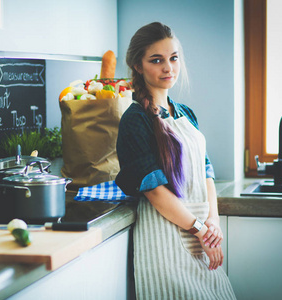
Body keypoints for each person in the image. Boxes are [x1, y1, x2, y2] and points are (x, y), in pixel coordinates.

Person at [116, 22, 236, 299]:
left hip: (201, 237)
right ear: (138, 65)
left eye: (173, 58)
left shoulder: (185, 113)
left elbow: (206, 171)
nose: (168, 68)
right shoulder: (135, 120)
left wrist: (213, 223)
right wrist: (200, 229)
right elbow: (156, 192)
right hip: (165, 241)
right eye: (156, 60)